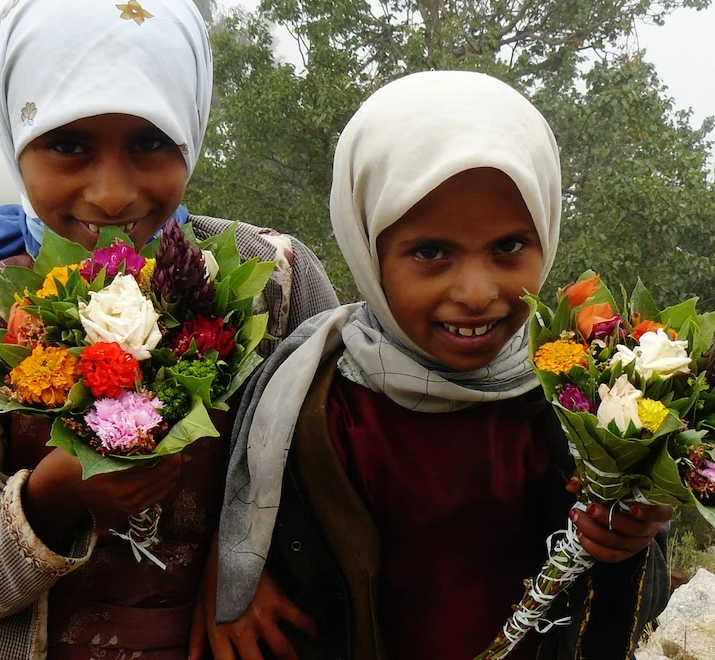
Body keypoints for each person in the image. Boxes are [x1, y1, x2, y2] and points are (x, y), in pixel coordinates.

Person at [0, 0, 339, 660]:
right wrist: (51, 501)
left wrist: (246, 559)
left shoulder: (272, 282)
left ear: (191, 130)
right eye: (68, 145)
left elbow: (342, 462)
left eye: (149, 142)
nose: (112, 194)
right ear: (15, 137)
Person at [206, 71, 670, 660]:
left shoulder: (584, 396)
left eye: (508, 247)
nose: (476, 293)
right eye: (431, 252)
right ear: (368, 248)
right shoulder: (315, 401)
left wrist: (629, 541)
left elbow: (625, 607)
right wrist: (233, 574)